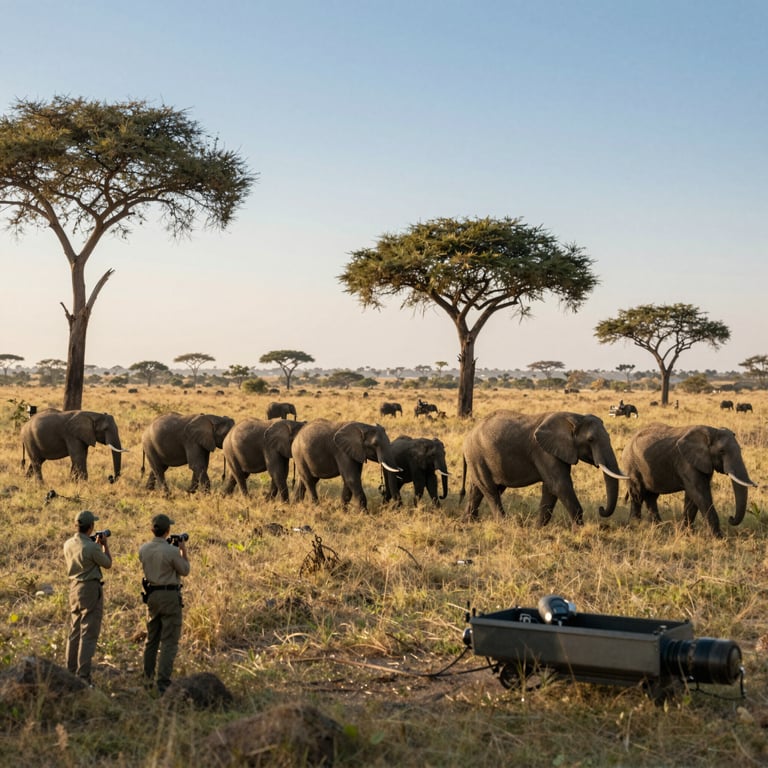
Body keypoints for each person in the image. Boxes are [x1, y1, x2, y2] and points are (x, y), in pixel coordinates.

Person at [139, 513, 190, 694]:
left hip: (151, 595)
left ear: (152, 530)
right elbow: (185, 570)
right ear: (168, 531)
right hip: (169, 596)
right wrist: (182, 550)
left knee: (151, 639)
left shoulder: (143, 549)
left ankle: (147, 679)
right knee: (169, 641)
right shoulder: (171, 551)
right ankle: (163, 683)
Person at [63, 509, 112, 685]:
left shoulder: (68, 544)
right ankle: (83, 676)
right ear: (91, 527)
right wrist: (104, 545)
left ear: (76, 525)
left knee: (74, 630)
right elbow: (107, 563)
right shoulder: (92, 547)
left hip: (74, 588)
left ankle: (70, 672)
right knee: (88, 633)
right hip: (90, 588)